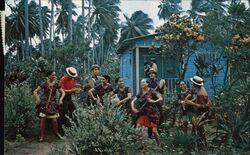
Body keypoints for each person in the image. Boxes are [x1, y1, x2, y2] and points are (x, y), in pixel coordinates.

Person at [33, 71, 65, 142]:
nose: (54, 76)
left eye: (54, 75)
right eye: (52, 75)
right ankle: (42, 136)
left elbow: (63, 92)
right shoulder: (44, 83)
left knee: (54, 120)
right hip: (44, 103)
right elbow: (35, 91)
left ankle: (56, 133)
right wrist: (38, 99)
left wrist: (61, 99)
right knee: (42, 119)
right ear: (48, 76)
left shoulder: (56, 84)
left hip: (52, 103)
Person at [131, 79, 163, 146]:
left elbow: (160, 98)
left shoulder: (152, 91)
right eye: (141, 82)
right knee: (138, 128)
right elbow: (132, 101)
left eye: (143, 82)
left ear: (147, 84)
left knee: (154, 132)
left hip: (153, 113)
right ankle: (141, 145)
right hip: (143, 113)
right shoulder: (140, 92)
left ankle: (159, 145)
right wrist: (133, 108)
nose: (141, 84)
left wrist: (153, 101)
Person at [184, 76, 211, 147]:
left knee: (199, 129)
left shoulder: (201, 94)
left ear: (195, 84)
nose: (192, 85)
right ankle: (197, 144)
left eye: (193, 83)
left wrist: (191, 103)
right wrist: (192, 100)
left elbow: (203, 106)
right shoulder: (201, 89)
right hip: (200, 113)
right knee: (197, 129)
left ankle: (202, 145)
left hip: (201, 114)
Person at [58, 67, 81, 134]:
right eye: (71, 76)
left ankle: (74, 126)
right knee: (63, 113)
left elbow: (71, 89)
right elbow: (62, 90)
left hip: (69, 97)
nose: (72, 77)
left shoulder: (72, 80)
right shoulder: (63, 79)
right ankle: (61, 130)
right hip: (63, 97)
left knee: (74, 111)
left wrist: (76, 90)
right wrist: (72, 90)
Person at [147, 68, 165, 138]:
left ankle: (157, 130)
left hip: (157, 100)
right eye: (150, 73)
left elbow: (160, 90)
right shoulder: (147, 81)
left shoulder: (157, 81)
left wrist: (162, 84)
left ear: (155, 75)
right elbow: (151, 90)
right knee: (150, 117)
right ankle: (150, 133)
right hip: (150, 101)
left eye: (153, 73)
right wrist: (157, 88)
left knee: (161, 116)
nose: (151, 74)